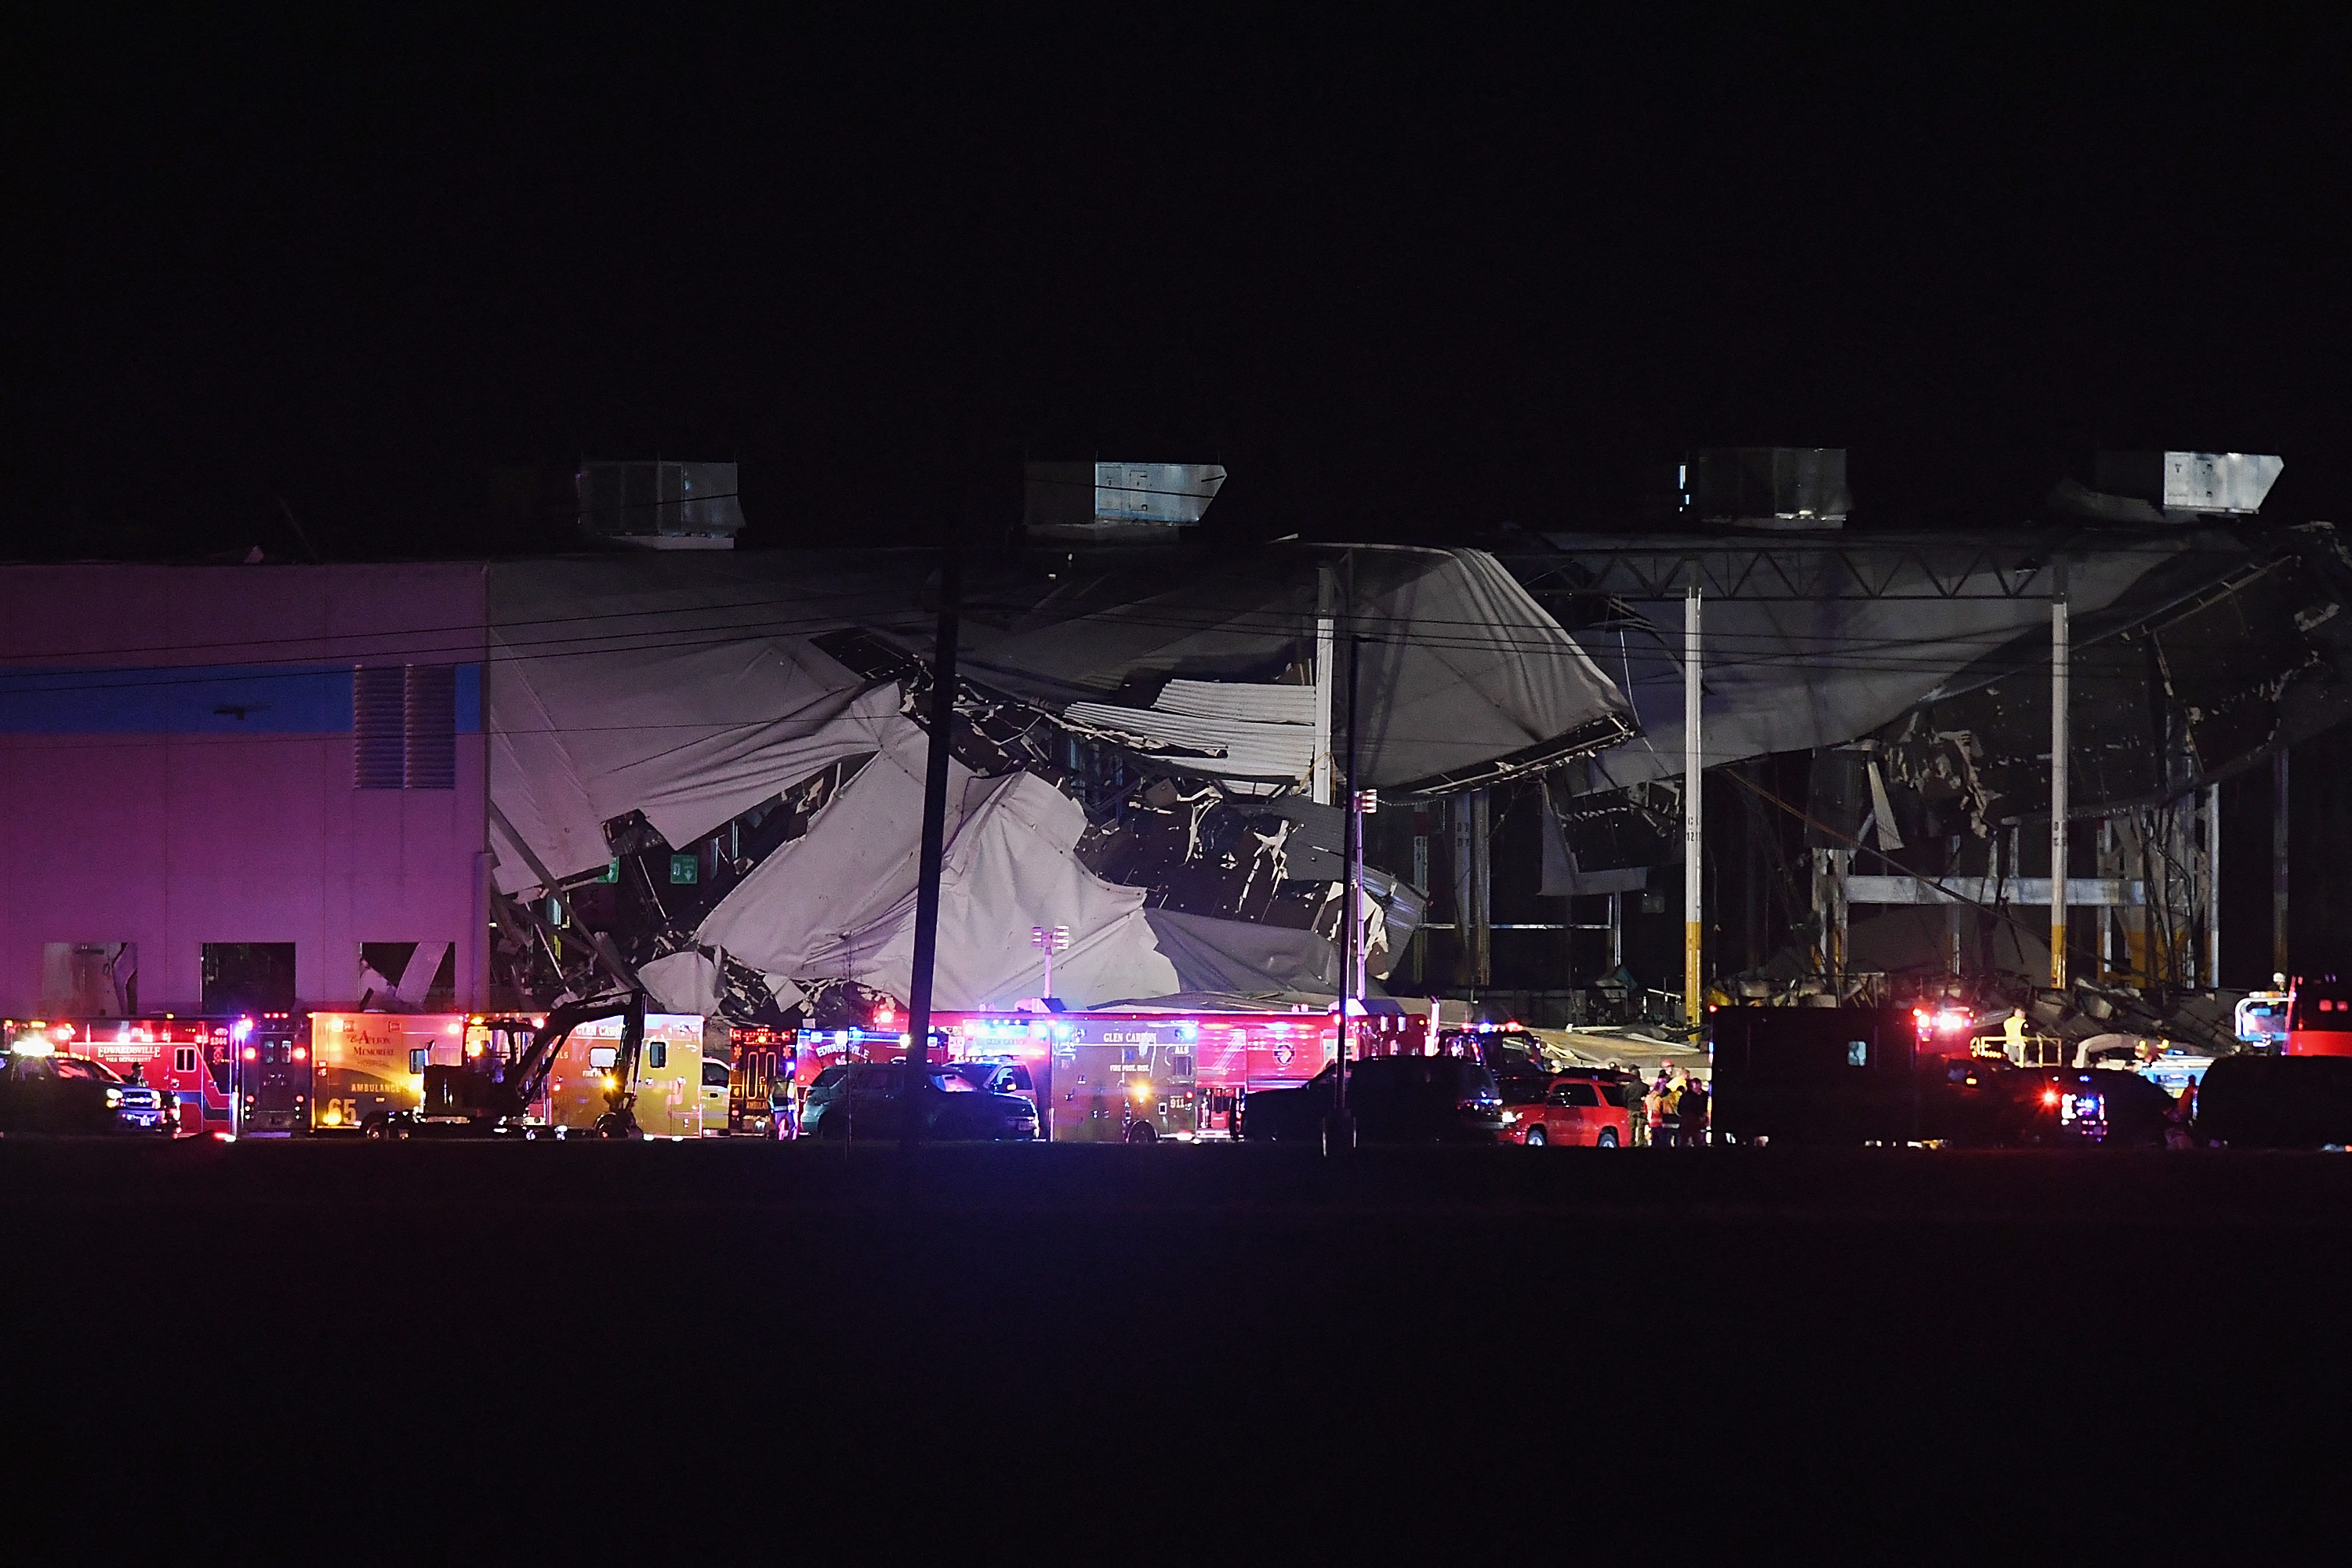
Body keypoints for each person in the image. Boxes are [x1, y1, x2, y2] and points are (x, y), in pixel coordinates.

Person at [1679, 1076, 1708, 1147]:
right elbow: (1699, 1108)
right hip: (1694, 1120)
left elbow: (1679, 1109)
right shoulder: (1696, 1097)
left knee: (1684, 1140)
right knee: (1697, 1140)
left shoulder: (1683, 1097)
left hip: (1684, 1120)